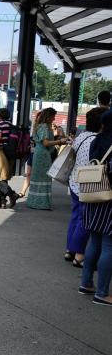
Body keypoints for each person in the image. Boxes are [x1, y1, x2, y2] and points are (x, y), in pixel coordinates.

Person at [65, 107, 105, 266]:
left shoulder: (82, 136)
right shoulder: (96, 140)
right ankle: (79, 255)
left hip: (74, 181)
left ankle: (69, 250)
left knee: (76, 217)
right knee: (85, 220)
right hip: (87, 184)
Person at [80, 109, 112, 306]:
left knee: (94, 241)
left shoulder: (96, 140)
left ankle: (86, 283)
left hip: (93, 195)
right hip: (109, 199)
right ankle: (102, 293)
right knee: (109, 246)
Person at [26, 108, 69, 210]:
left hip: (39, 153)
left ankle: (34, 201)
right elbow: (46, 143)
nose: (54, 118)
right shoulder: (45, 127)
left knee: (38, 177)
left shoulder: (40, 126)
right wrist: (60, 141)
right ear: (48, 116)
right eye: (53, 116)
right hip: (43, 155)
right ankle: (41, 203)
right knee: (44, 178)